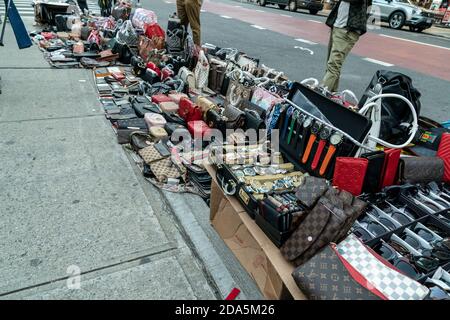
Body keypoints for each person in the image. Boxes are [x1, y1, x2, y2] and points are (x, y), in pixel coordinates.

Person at [321, 0, 371, 92]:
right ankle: (331, 93)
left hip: (347, 30)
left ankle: (319, 96)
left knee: (334, 65)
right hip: (338, 26)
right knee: (332, 65)